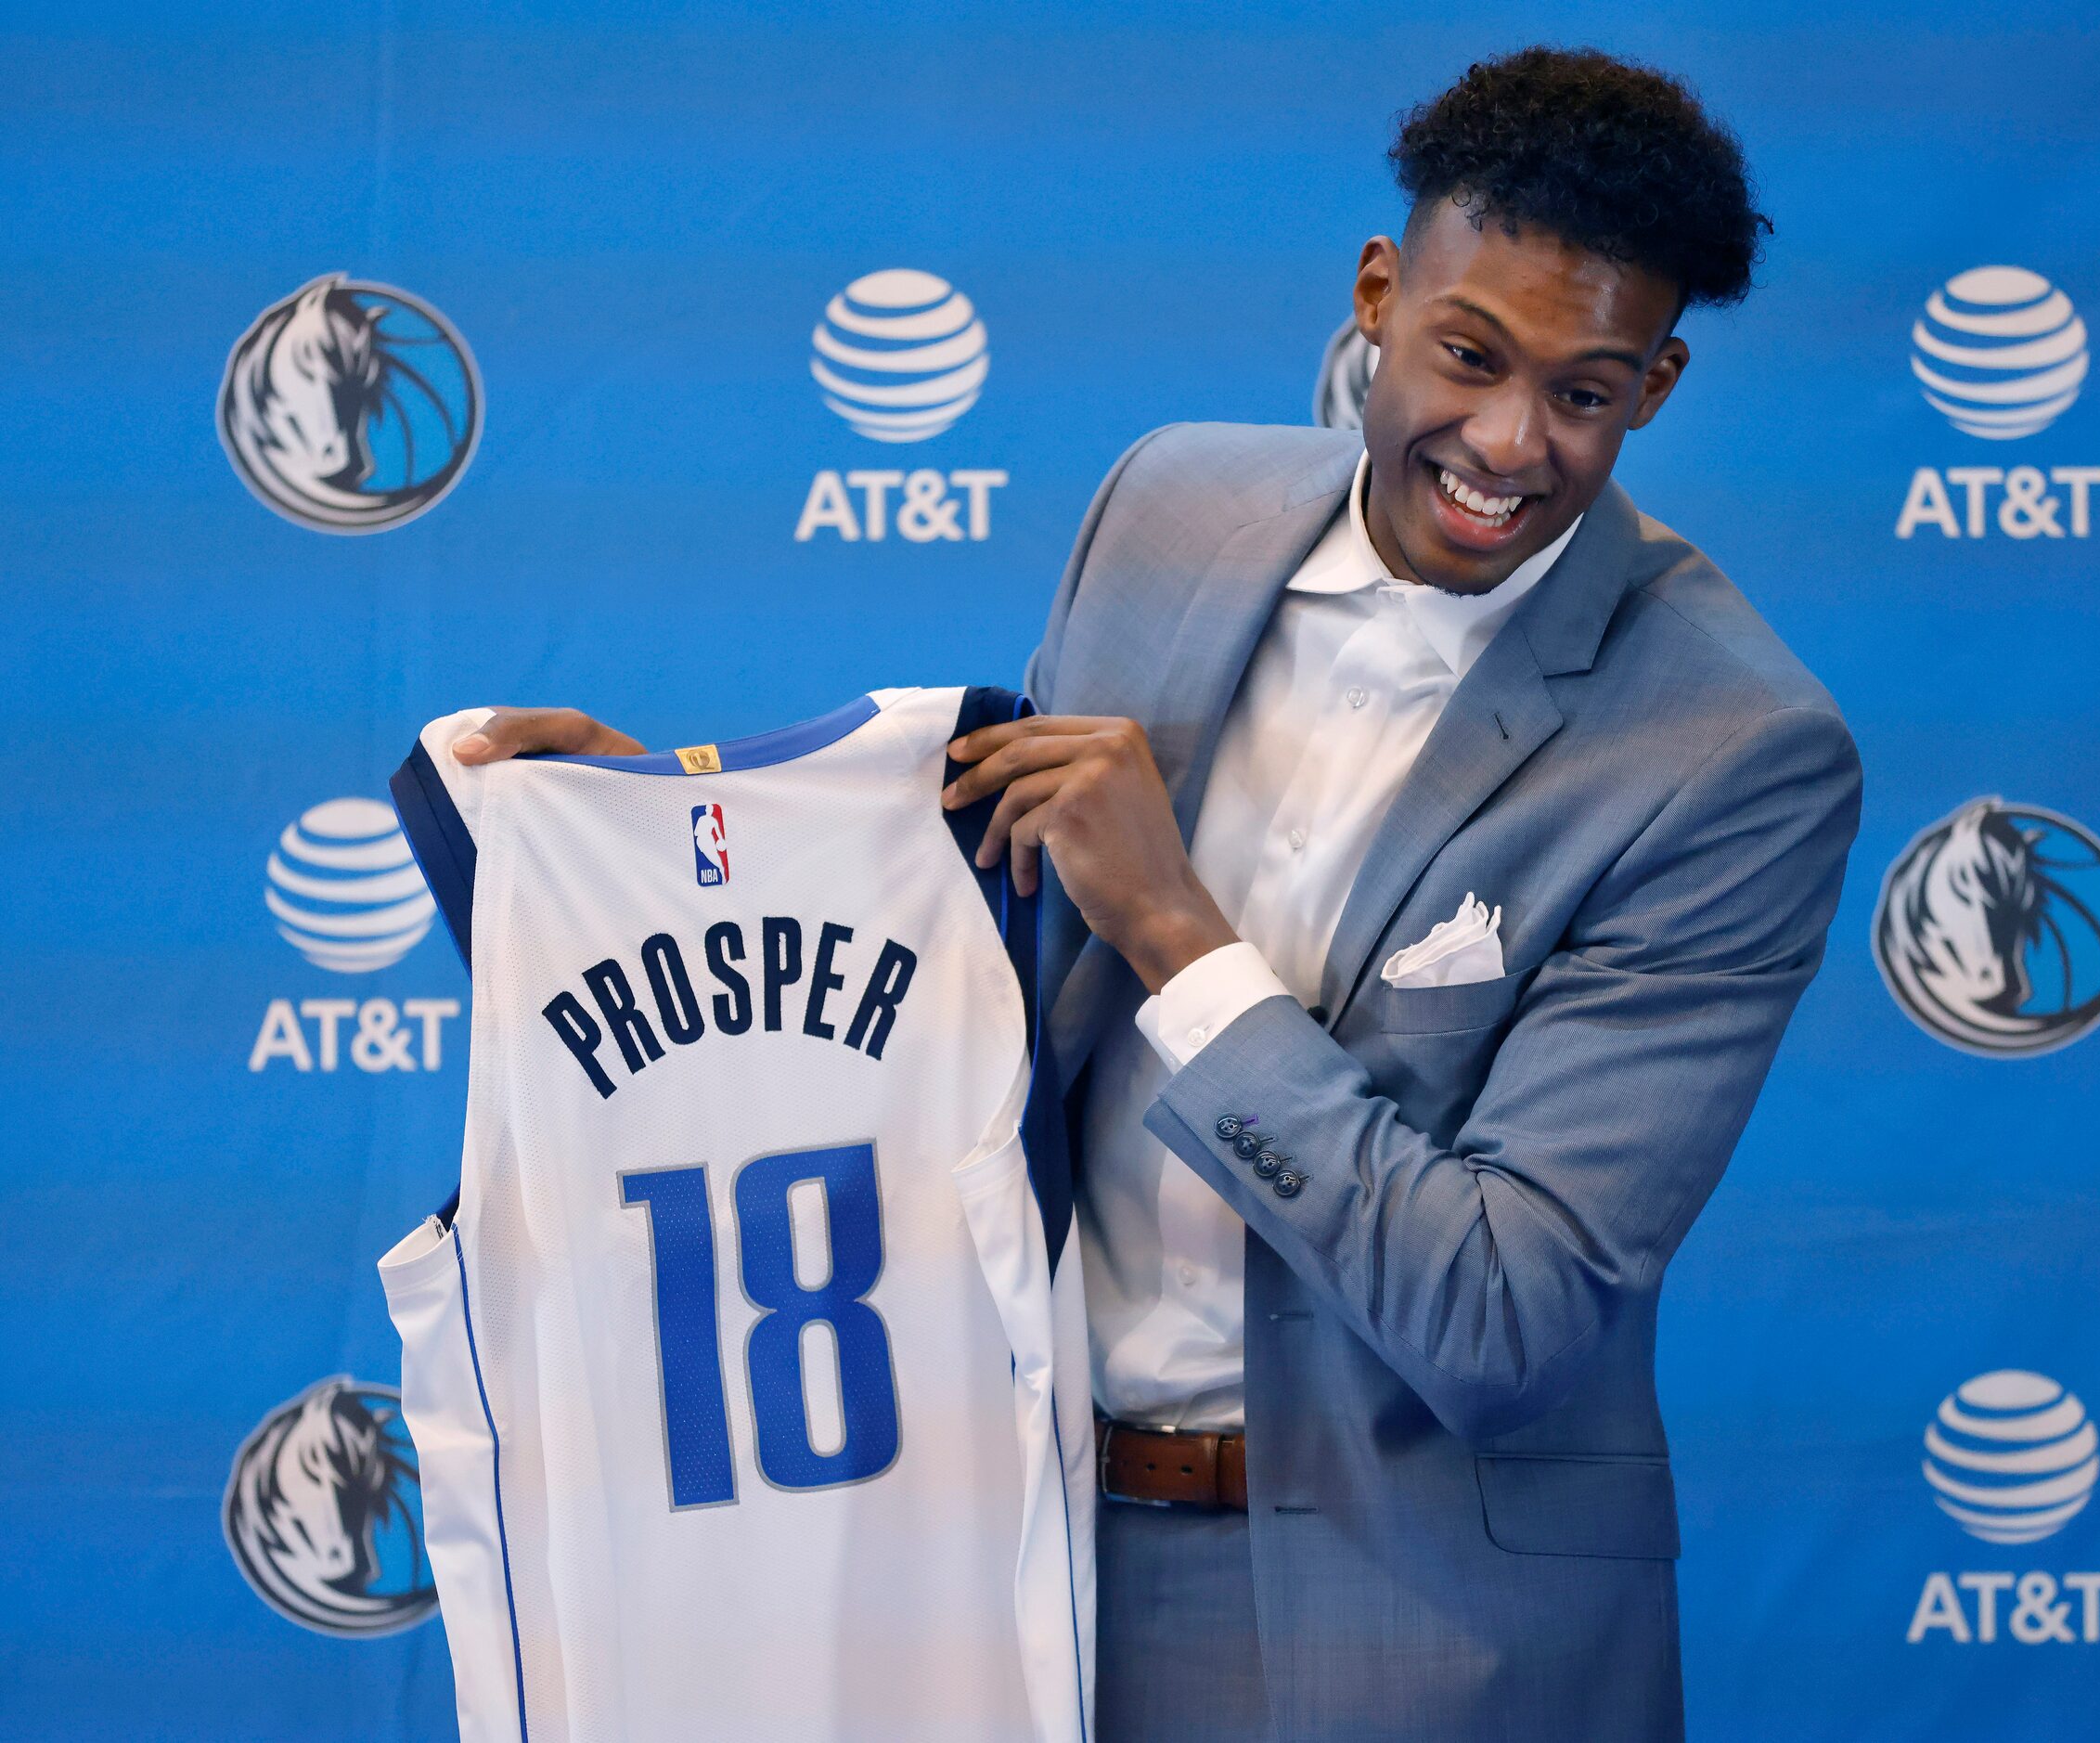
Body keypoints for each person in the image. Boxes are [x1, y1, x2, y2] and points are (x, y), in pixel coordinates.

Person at [455, 45, 1861, 1743]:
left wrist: (1180, 939)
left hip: (1415, 1624)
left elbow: (1504, 1310)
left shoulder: (1730, 745)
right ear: (1375, 295)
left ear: (1657, 387)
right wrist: (672, 842)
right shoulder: (1168, 504)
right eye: (1469, 356)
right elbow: (984, 892)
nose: (1507, 442)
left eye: (1582, 391)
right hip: (1020, 1559)